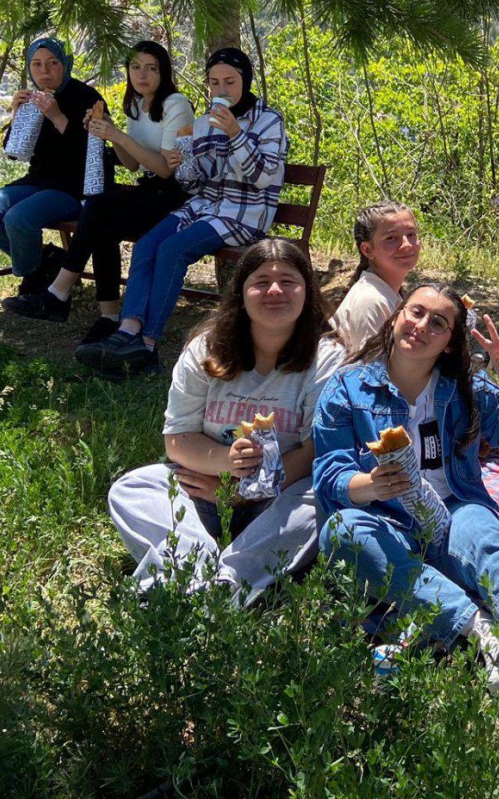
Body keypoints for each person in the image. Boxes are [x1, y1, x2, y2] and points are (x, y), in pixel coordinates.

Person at [313, 285, 499, 735]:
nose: (421, 326)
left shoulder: (465, 389)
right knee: (342, 530)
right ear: (397, 316)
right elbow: (330, 476)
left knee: (492, 544)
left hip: (455, 510)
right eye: (415, 313)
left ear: (450, 341)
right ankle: (478, 630)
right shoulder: (347, 388)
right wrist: (371, 485)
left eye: (438, 323)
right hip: (384, 518)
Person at [108, 239, 346, 605]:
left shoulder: (326, 357)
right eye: (261, 280)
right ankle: (201, 569)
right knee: (131, 487)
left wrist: (248, 490)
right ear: (241, 292)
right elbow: (177, 439)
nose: (275, 290)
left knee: (321, 498)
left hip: (276, 504)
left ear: (307, 291)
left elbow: (315, 451)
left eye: (289, 280)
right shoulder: (206, 349)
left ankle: (225, 579)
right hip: (203, 491)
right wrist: (225, 464)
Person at [77, 47, 286, 377]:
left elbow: (264, 177)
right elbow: (194, 183)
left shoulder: (268, 121)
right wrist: (181, 165)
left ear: (245, 81)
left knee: (172, 250)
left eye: (230, 82)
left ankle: (146, 345)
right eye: (214, 82)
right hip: (206, 206)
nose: (221, 90)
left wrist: (235, 133)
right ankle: (127, 330)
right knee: (147, 244)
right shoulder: (204, 123)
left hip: (244, 212)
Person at [4, 40, 195, 341]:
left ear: (163, 72)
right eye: (135, 67)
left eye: (150, 68)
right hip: (148, 190)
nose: (142, 75)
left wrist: (115, 133)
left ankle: (59, 292)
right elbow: (132, 164)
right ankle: (107, 316)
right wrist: (106, 129)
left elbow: (165, 169)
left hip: (175, 195)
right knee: (100, 214)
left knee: (98, 211)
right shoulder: (136, 105)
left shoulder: (176, 105)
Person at [0, 37, 105, 295]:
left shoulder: (86, 97)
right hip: (37, 181)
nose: (45, 71)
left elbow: (91, 153)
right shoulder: (33, 98)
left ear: (65, 65)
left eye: (53, 63)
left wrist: (56, 116)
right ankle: (46, 263)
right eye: (37, 64)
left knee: (19, 218)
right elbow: (14, 154)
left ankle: (32, 281)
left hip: (73, 188)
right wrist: (17, 116)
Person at [330, 202, 421, 351]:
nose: (407, 245)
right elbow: (368, 369)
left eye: (411, 234)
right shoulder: (370, 300)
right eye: (391, 238)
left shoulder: (390, 294)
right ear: (367, 250)